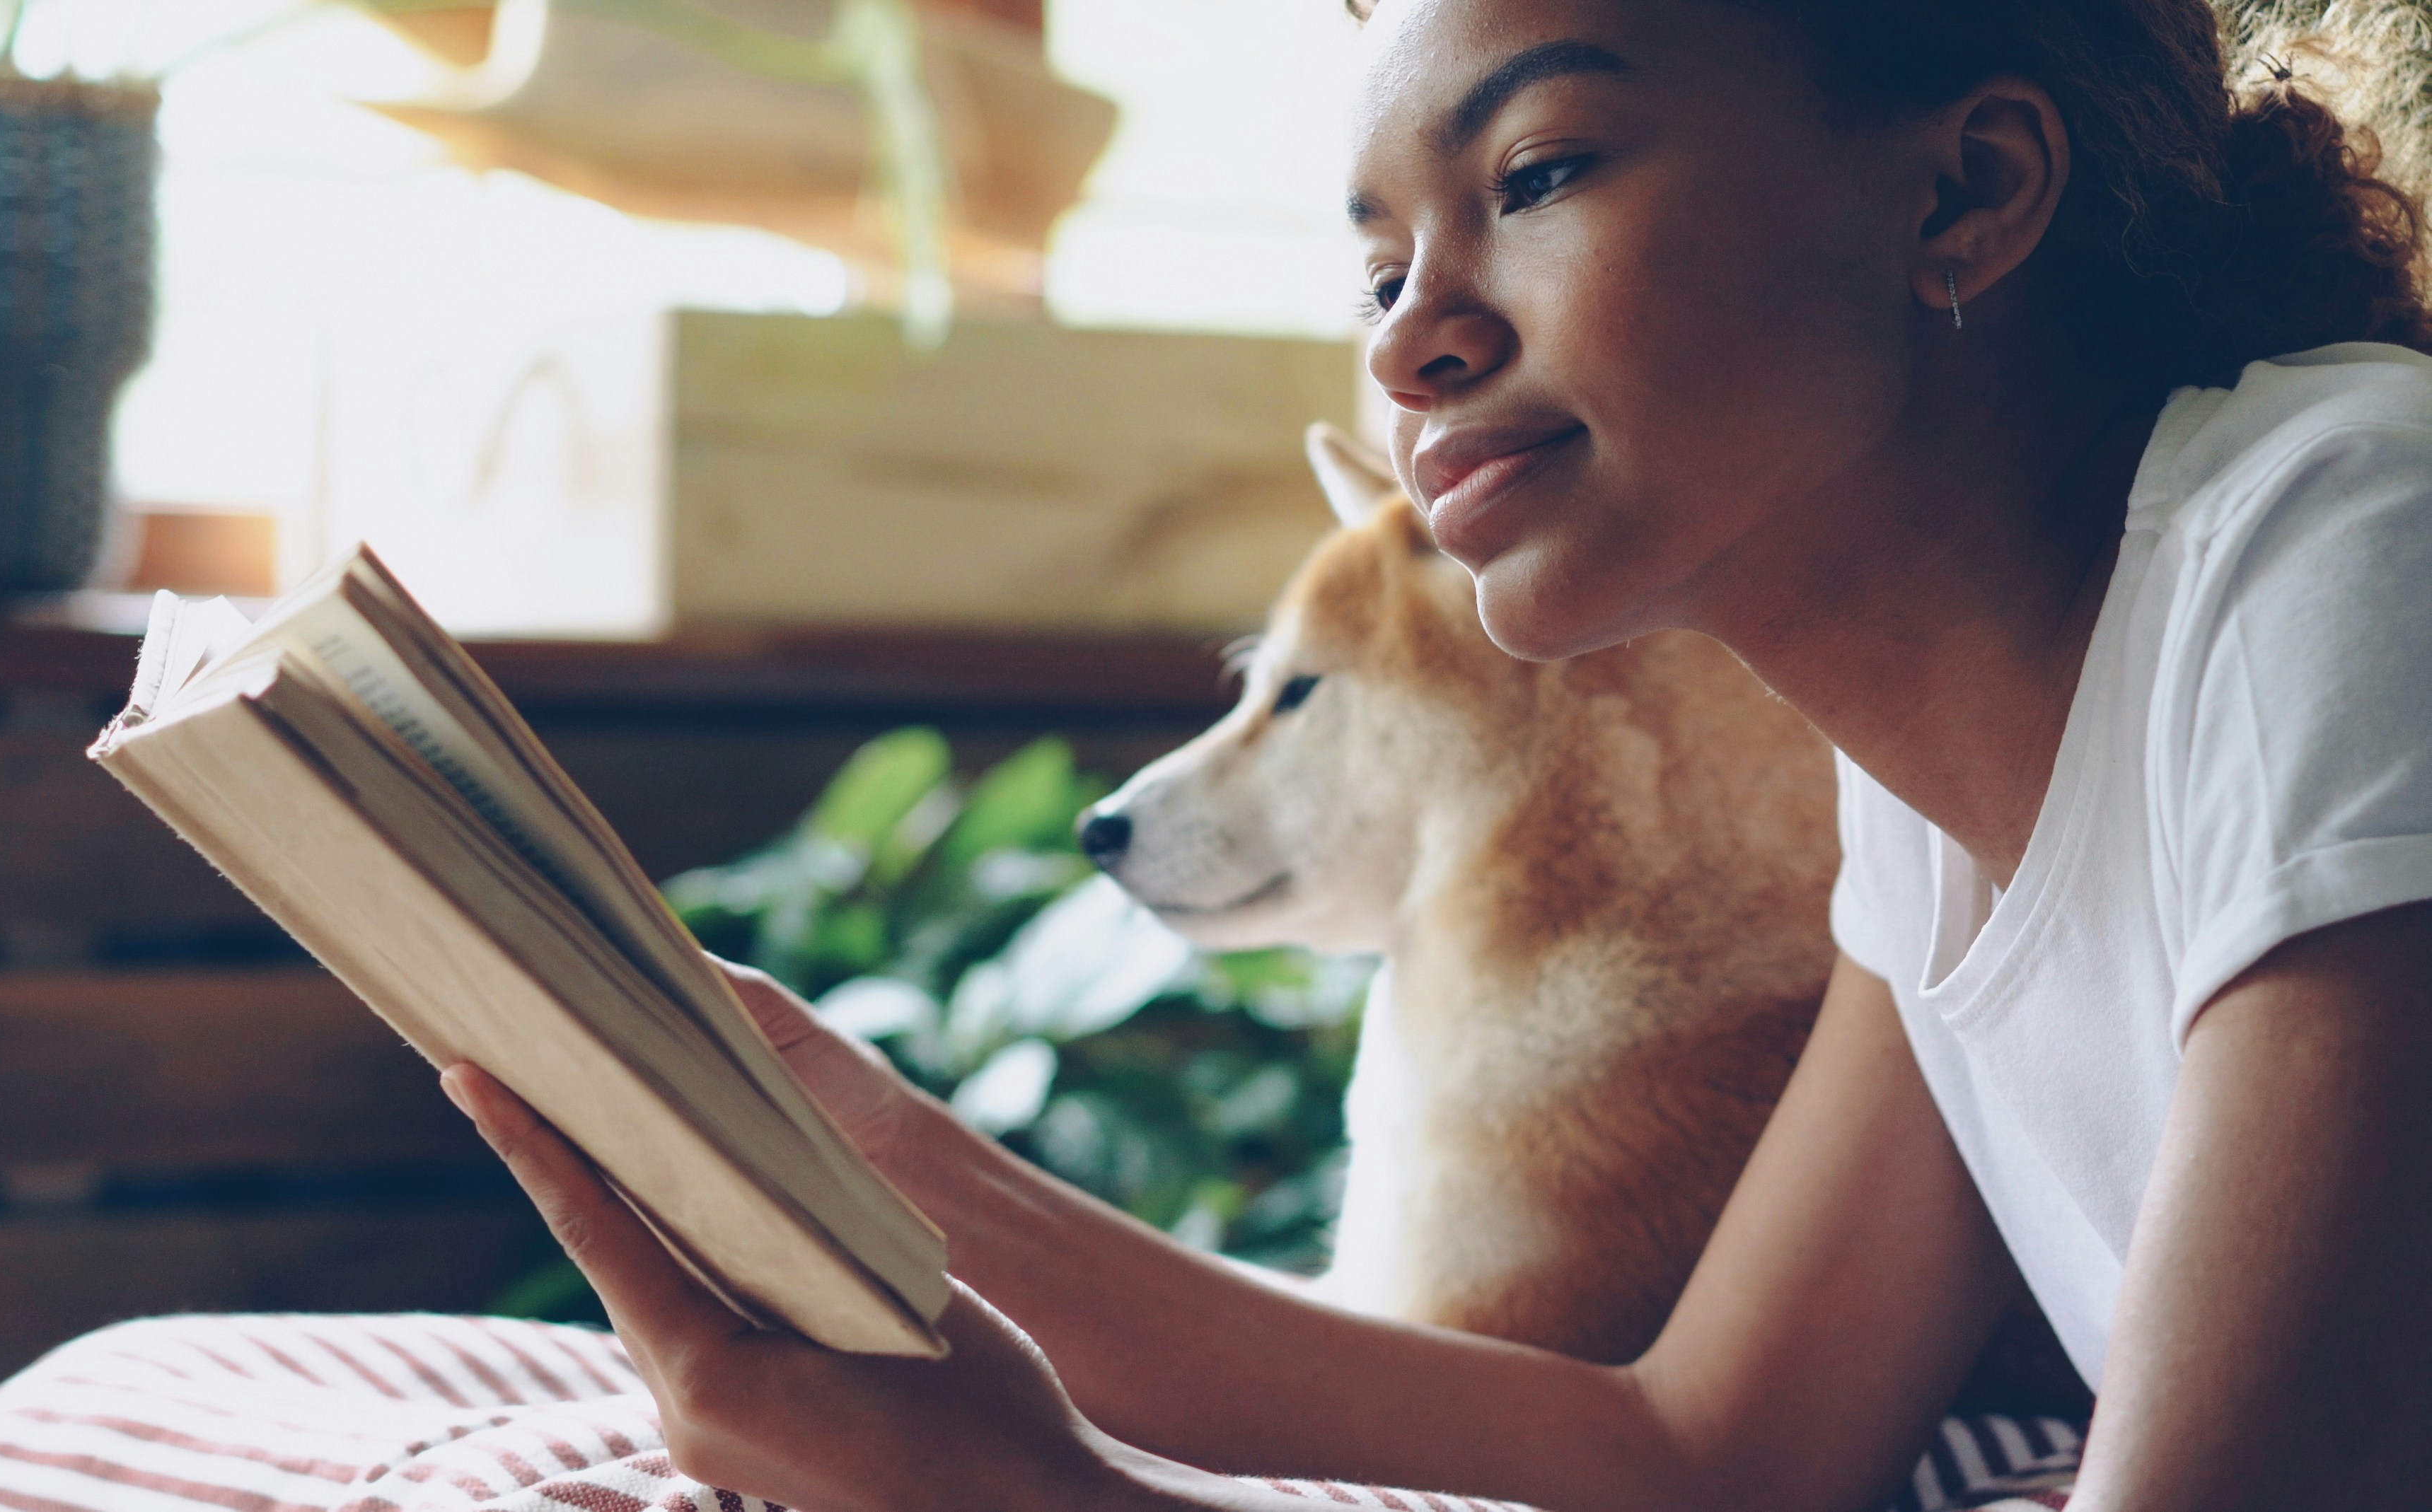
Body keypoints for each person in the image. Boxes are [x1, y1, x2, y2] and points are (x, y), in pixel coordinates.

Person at [441, 1, 2432, 1507]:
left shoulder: (2346, 545)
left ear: (1968, 189)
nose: (1410, 347)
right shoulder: (1939, 784)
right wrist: (905, 1171)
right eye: (1379, 258)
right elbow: (1700, 1446)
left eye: (1539, 173)